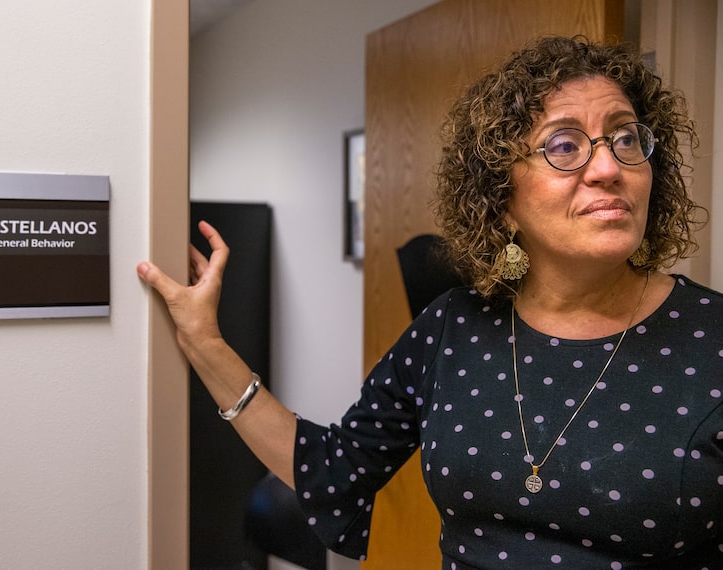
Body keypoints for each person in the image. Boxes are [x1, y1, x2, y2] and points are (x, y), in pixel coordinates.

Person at [137, 36, 722, 568]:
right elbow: (333, 472)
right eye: (564, 145)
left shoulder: (711, 338)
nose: (608, 167)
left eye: (626, 138)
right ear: (503, 197)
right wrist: (205, 342)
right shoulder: (453, 329)